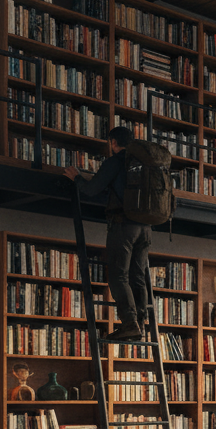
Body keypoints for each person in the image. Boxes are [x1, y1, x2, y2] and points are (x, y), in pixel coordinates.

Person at [64, 126, 149, 341]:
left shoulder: (116, 161)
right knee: (137, 276)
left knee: (118, 276)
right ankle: (141, 322)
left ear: (113, 142)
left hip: (123, 225)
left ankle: (130, 324)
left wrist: (77, 177)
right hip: (146, 227)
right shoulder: (144, 163)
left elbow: (92, 190)